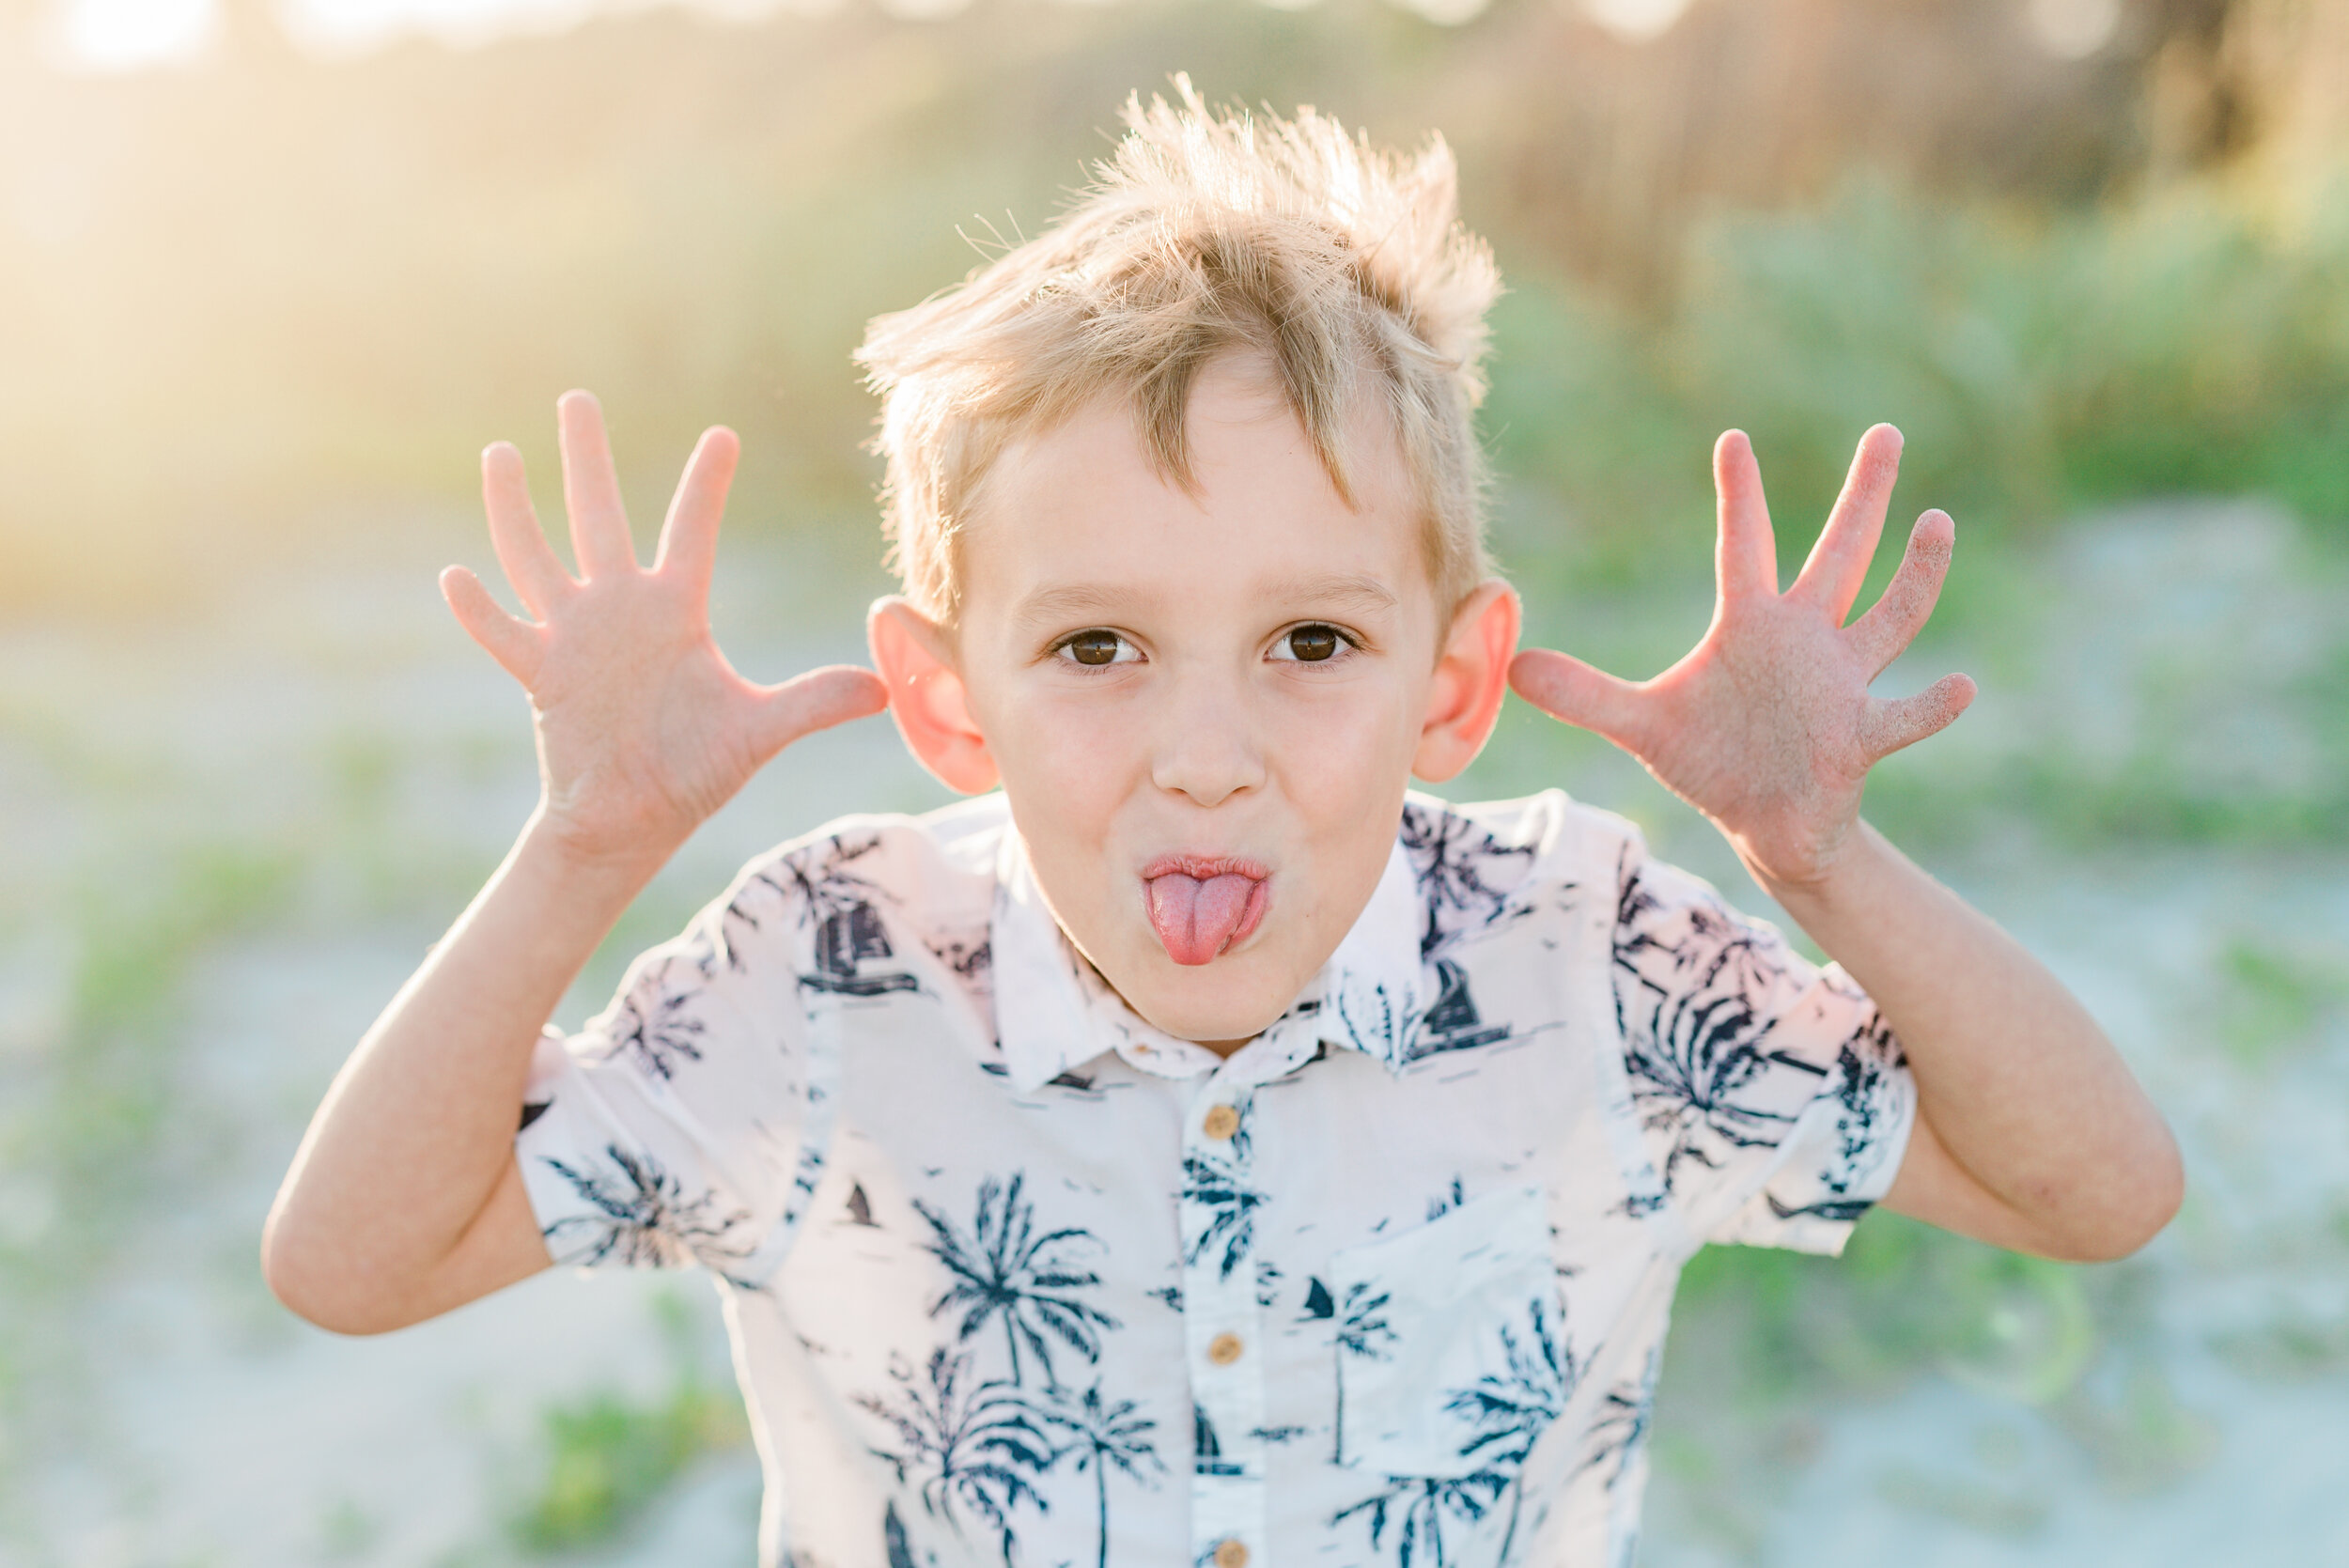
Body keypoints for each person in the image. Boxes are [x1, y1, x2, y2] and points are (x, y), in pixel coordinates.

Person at [262, 82, 2182, 1568]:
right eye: (1094, 643)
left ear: (1447, 681)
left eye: (1310, 641)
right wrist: (577, 857)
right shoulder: (826, 971)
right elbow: (353, 1260)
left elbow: (2089, 1191)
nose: (1205, 751)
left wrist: (1816, 858)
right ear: (947, 699)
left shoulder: (1584, 956)